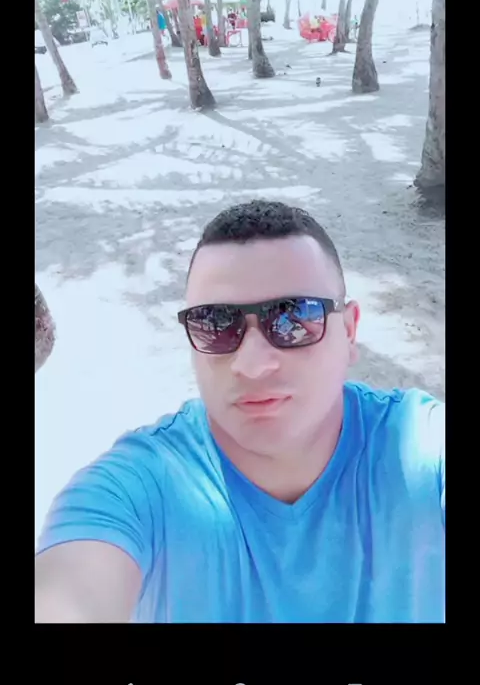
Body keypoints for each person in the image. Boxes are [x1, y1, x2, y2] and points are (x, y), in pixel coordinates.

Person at [35, 200, 445, 623]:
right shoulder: (135, 490)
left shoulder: (421, 452)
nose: (251, 365)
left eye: (293, 318)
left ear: (349, 330)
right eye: (215, 324)